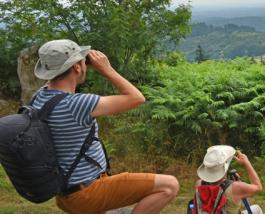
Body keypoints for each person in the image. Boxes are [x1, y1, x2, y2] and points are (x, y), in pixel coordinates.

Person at [31, 39, 179, 214]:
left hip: (66, 192)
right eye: (81, 62)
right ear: (77, 68)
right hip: (88, 192)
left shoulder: (39, 97)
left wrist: (77, 64)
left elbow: (58, 81)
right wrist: (106, 69)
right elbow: (136, 98)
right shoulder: (76, 104)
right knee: (169, 186)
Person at [193, 145, 263, 214]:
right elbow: (258, 187)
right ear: (225, 166)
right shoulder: (236, 187)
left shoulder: (199, 184)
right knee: (257, 209)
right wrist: (246, 163)